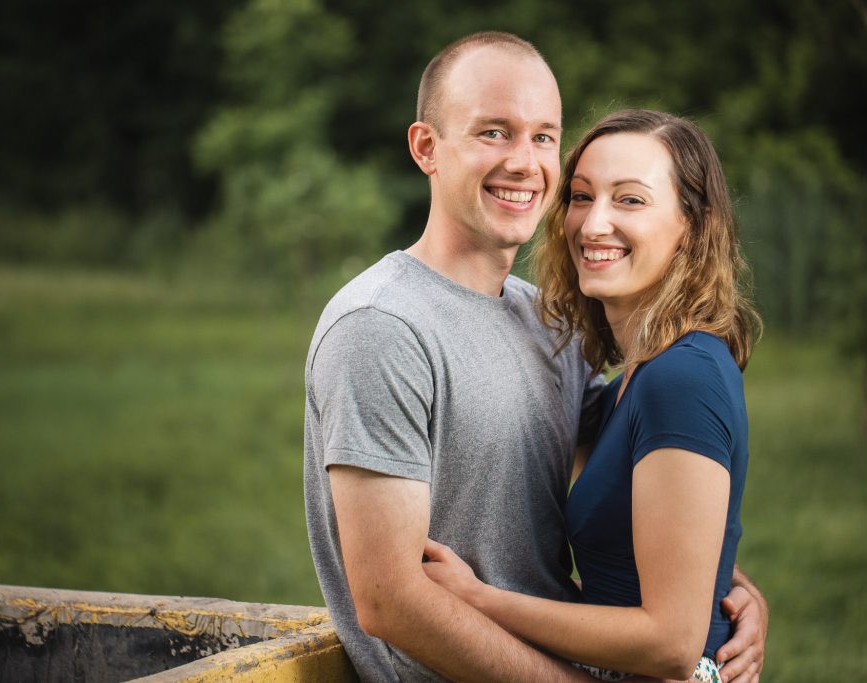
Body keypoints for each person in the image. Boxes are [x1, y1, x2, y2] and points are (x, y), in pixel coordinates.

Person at [304, 32, 767, 682]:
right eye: (493, 132)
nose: (524, 161)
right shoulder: (383, 325)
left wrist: (729, 590)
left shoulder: (549, 325)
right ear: (426, 148)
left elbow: (641, 489)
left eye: (544, 136)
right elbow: (390, 600)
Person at [422, 109, 763, 683]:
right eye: (581, 197)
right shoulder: (637, 377)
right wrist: (737, 590)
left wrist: (480, 600)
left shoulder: (683, 377)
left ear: (693, 226)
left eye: (629, 200)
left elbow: (672, 643)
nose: (593, 224)